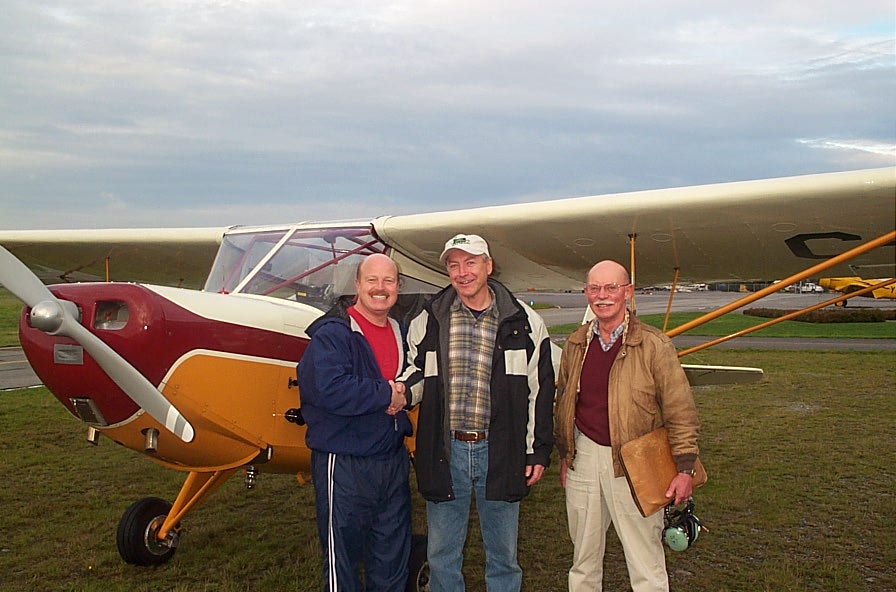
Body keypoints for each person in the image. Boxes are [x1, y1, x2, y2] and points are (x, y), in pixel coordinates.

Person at [399, 233, 555, 592]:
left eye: (470, 262)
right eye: (454, 264)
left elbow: (539, 392)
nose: (462, 272)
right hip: (445, 451)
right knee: (441, 555)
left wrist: (537, 451)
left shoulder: (525, 322)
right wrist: (399, 393)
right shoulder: (430, 319)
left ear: (488, 266)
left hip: (500, 451)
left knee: (502, 556)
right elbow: (416, 372)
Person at [554, 260, 701, 592]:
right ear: (586, 293)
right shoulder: (576, 343)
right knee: (583, 562)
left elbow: (680, 409)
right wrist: (567, 455)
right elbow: (565, 402)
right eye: (595, 288)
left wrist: (685, 467)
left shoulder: (653, 344)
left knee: (645, 563)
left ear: (628, 292)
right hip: (584, 459)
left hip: (637, 461)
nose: (602, 296)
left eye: (611, 288)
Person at [296, 253, 413, 592]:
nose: (380, 288)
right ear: (358, 285)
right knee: (342, 562)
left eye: (388, 281)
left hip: (391, 461)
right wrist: (386, 396)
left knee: (391, 559)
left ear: (398, 287)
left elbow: (408, 381)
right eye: (372, 280)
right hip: (345, 462)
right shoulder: (333, 334)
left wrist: (405, 395)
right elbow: (329, 389)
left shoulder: (399, 331)